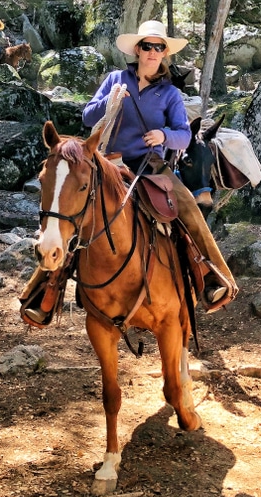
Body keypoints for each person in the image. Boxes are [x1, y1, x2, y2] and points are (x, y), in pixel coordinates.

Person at [20, 20, 238, 325]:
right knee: (70, 213)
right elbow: (87, 117)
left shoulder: (170, 94)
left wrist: (163, 136)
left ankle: (214, 277)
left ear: (164, 53)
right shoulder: (115, 79)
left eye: (158, 47)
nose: (152, 51)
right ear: (137, 49)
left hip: (151, 166)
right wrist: (110, 101)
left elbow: (184, 136)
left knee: (187, 206)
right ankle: (43, 293)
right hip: (110, 163)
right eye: (147, 46)